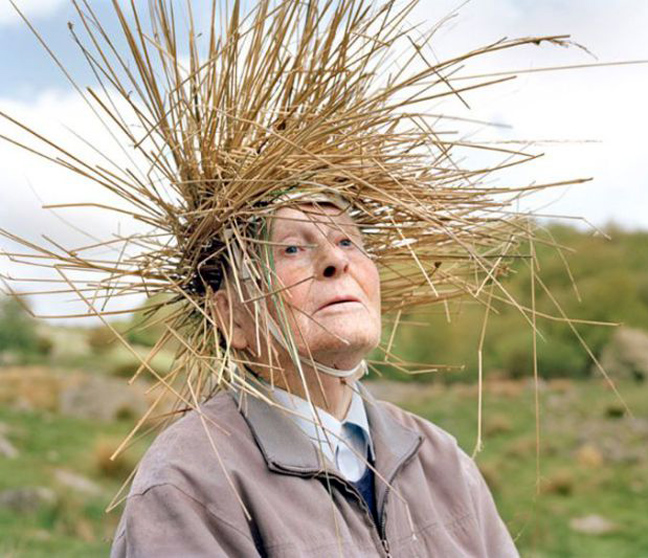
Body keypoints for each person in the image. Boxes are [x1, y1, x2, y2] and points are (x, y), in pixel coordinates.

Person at [110, 200, 519, 557]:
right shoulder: (188, 483)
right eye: (291, 248)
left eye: (347, 241)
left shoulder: (441, 459)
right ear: (231, 317)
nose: (335, 260)